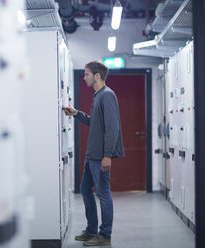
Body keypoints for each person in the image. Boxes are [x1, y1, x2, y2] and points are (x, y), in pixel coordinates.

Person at [64, 60, 124, 246]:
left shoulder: (107, 95)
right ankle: (91, 230)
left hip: (100, 156)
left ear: (97, 76)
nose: (85, 77)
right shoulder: (98, 95)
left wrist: (107, 155)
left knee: (104, 193)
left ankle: (104, 235)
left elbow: (112, 128)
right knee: (85, 189)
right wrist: (76, 114)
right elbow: (94, 123)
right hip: (92, 155)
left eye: (87, 74)